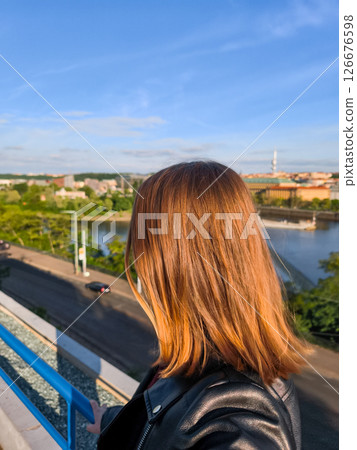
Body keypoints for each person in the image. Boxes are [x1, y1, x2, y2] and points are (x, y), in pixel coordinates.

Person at [87, 161, 309, 449]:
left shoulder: (238, 414)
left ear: (165, 261)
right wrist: (112, 421)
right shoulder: (192, 360)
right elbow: (164, 428)